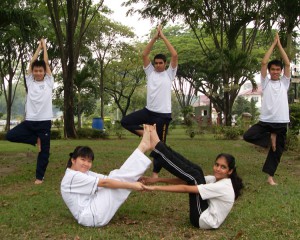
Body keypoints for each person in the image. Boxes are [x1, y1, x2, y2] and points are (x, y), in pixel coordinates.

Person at [140, 125, 243, 229]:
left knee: (195, 176)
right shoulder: (216, 179)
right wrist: (157, 180)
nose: (218, 169)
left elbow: (186, 188)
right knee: (197, 171)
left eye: (223, 167)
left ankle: (157, 147)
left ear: (230, 171)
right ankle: (158, 145)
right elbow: (186, 181)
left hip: (200, 219)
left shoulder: (223, 186)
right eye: (217, 165)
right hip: (203, 212)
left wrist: (155, 188)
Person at [60, 125, 153, 227]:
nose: (86, 164)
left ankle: (143, 147)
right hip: (91, 216)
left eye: (89, 161)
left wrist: (132, 180)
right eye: (83, 159)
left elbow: (109, 179)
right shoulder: (72, 176)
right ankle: (143, 147)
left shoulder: (83, 173)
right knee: (113, 182)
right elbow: (105, 183)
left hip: (93, 211)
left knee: (115, 177)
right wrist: (132, 185)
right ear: (73, 160)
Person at [121, 25, 178, 178]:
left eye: (161, 63)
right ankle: (147, 135)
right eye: (156, 63)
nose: (158, 65)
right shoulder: (150, 72)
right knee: (126, 121)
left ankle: (155, 174)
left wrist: (163, 36)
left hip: (162, 116)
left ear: (165, 64)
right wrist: (154, 37)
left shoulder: (169, 74)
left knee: (160, 146)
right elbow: (144, 54)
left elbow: (174, 55)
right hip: (148, 111)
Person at [243, 33, 290, 185]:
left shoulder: (285, 83)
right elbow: (263, 63)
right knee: (248, 135)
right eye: (273, 69)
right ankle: (270, 137)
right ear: (269, 71)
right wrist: (273, 44)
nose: (275, 71)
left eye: (278, 69)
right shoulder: (266, 83)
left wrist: (280, 46)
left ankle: (270, 177)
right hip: (266, 121)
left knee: (277, 152)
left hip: (281, 121)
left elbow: (288, 64)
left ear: (281, 71)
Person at [6, 38, 54, 185]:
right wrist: (38, 49)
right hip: (30, 120)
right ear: (32, 72)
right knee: (10, 135)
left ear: (44, 72)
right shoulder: (30, 81)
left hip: (44, 122)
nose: (38, 73)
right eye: (36, 71)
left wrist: (45, 47)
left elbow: (45, 63)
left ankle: (40, 177)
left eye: (40, 71)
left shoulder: (48, 82)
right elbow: (31, 63)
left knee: (44, 152)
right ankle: (35, 140)